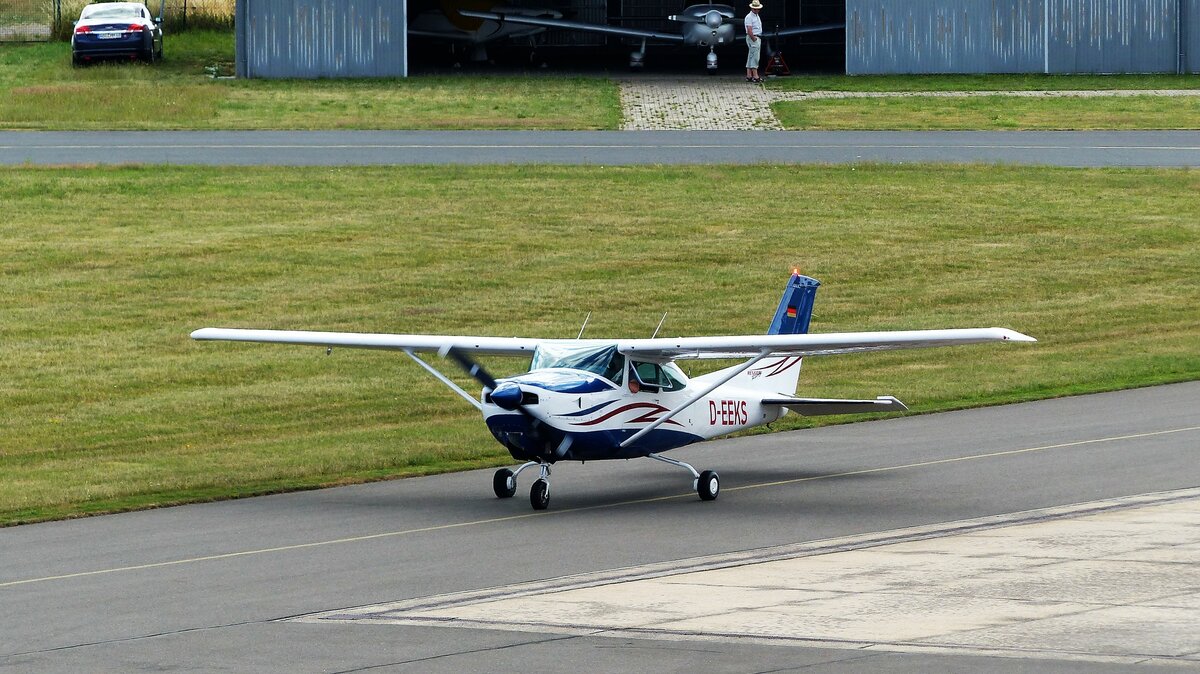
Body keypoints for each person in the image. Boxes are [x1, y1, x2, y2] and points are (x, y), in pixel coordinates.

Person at [744, 0, 764, 83]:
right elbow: (749, 30)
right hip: (753, 37)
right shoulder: (749, 17)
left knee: (751, 56)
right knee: (755, 57)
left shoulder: (756, 15)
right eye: (755, 9)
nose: (757, 10)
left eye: (758, 9)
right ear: (752, 8)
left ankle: (749, 75)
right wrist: (754, 38)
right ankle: (755, 76)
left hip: (755, 37)